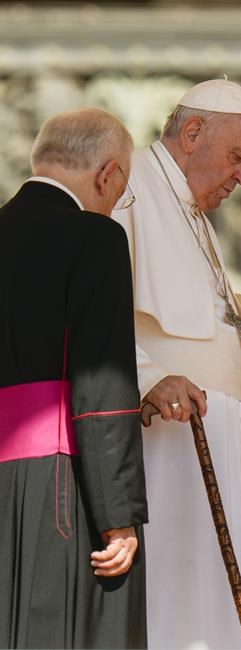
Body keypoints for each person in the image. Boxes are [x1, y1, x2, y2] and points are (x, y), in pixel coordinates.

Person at [114, 80, 241, 649]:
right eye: (239, 157)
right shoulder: (129, 191)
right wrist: (147, 377)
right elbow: (91, 315)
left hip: (228, 429)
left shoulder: (190, 205)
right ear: (193, 133)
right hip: (170, 441)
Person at [0, 107, 148, 649]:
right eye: (121, 190)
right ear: (107, 174)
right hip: (60, 489)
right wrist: (119, 517)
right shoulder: (94, 238)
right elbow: (102, 385)